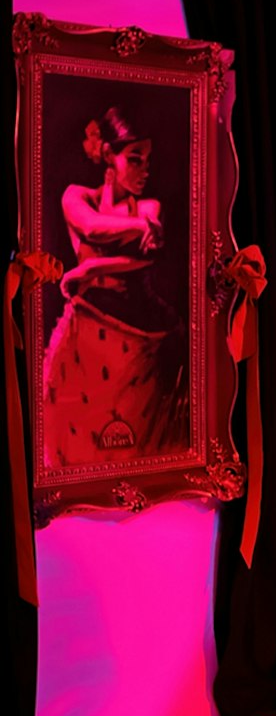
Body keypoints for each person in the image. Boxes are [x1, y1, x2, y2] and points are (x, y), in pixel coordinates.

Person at [44, 107, 186, 468]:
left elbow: (149, 259)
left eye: (148, 160)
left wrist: (87, 269)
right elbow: (91, 228)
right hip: (88, 330)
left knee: (142, 440)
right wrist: (138, 229)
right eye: (135, 159)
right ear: (108, 155)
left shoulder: (150, 205)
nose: (145, 170)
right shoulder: (77, 197)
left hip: (143, 337)